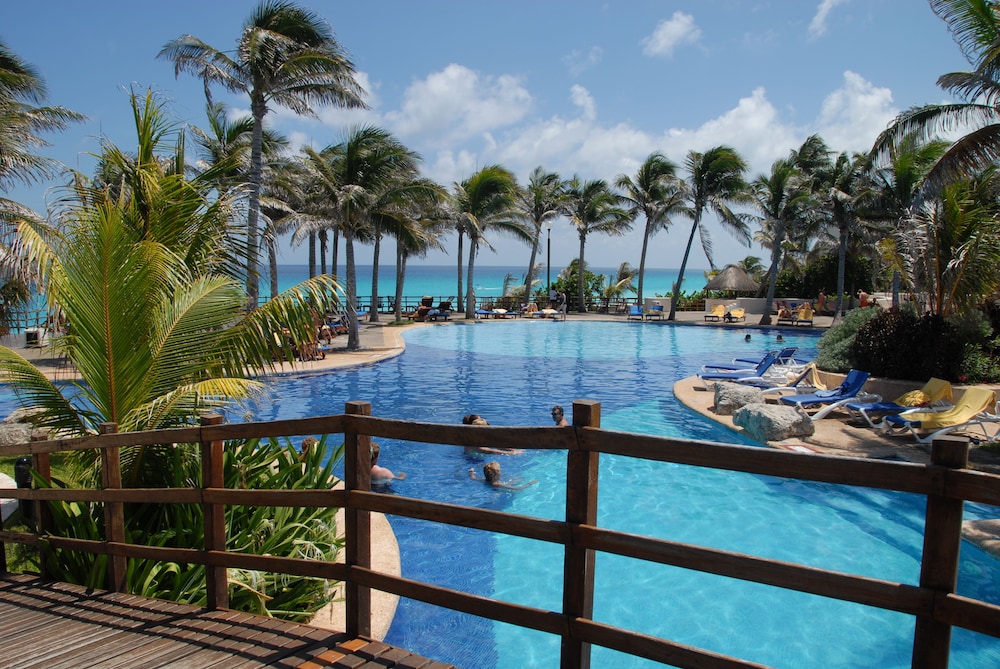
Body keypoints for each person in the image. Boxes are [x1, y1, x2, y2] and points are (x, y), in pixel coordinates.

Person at [469, 461, 537, 490]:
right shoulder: (498, 484)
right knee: (518, 480)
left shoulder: (484, 481)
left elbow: (473, 478)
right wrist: (530, 483)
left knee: (517, 480)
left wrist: (471, 472)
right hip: (499, 490)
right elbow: (518, 489)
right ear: (498, 472)